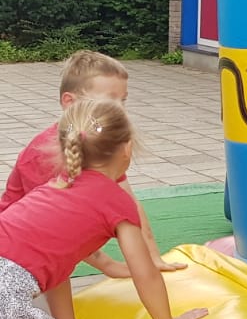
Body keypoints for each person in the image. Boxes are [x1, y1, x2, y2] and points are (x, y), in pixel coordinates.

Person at [0, 98, 208, 319]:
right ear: (127, 149)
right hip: (6, 293)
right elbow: (144, 273)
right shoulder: (118, 202)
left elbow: (58, 272)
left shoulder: (57, 186)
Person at [1, 50, 183, 278]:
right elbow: (48, 231)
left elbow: (129, 203)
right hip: (15, 251)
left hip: (50, 242)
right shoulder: (42, 155)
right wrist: (109, 266)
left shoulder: (102, 143)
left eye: (123, 100)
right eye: (109, 100)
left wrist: (153, 257)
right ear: (70, 102)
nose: (120, 110)